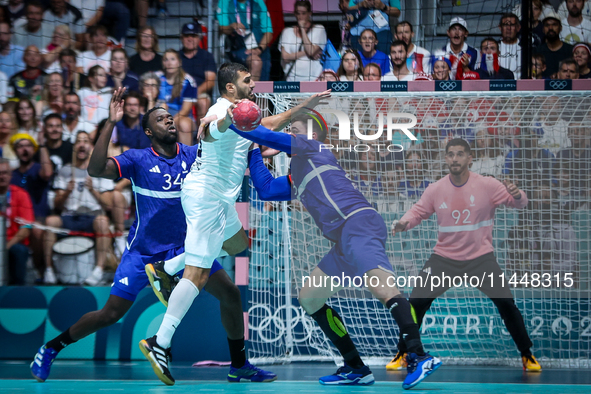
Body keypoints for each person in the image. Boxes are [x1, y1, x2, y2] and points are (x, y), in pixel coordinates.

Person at [30, 87, 276, 385]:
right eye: (161, 119)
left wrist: (261, 149)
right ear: (148, 131)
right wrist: (110, 122)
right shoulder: (137, 160)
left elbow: (231, 153)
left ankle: (239, 365)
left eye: (170, 117)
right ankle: (51, 347)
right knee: (110, 314)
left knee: (231, 295)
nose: (169, 121)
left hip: (186, 249)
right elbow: (96, 169)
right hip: (144, 252)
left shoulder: (194, 154)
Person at [215, 113, 441, 389]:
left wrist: (235, 124)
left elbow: (268, 136)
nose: (291, 133)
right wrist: (252, 151)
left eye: (294, 129)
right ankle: (355, 366)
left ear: (311, 135)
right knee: (310, 298)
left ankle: (418, 355)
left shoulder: (314, 148)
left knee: (382, 288)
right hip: (343, 241)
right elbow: (265, 189)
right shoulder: (297, 175)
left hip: (358, 223)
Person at [141, 63, 329, 385]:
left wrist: (304, 107)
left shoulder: (246, 116)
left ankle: (167, 268)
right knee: (198, 275)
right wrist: (222, 118)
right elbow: (213, 131)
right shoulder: (221, 111)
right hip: (207, 199)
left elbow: (267, 123)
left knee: (238, 244)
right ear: (231, 88)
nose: (253, 83)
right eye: (246, 80)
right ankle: (160, 341)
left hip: (219, 202)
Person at [388, 138, 542, 373]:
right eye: (451, 154)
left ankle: (526, 354)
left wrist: (518, 194)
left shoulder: (488, 185)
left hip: (480, 259)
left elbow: (519, 203)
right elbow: (417, 212)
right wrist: (403, 224)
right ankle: (403, 352)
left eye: (460, 154)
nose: (455, 159)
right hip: (443, 259)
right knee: (415, 304)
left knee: (507, 305)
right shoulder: (436, 188)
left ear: (470, 158)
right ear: (446, 158)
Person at [10, 132, 52, 280]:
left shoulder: (39, 168)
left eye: (28, 146)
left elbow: (47, 173)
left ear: (33, 149)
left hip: (38, 218)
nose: (24, 149)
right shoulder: (11, 174)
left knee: (36, 230)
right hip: (16, 220)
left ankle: (39, 269)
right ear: (15, 150)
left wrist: (42, 146)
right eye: (20, 146)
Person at [217, 0, 273, 81]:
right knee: (256, 62)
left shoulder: (258, 2)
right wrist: (232, 26)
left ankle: (256, 92)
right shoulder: (225, 2)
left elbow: (268, 33)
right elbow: (221, 28)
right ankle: (251, 93)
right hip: (238, 48)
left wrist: (259, 49)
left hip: (260, 48)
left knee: (264, 82)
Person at [0, 158, 34, 285]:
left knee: (19, 251)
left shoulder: (21, 194)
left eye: (5, 173)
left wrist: (5, 247)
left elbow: (26, 227)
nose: (2, 177)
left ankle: (17, 290)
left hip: (13, 242)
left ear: (11, 175)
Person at [156, 49, 197, 145]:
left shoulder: (188, 81)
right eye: (166, 60)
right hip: (159, 114)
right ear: (162, 63)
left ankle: (187, 158)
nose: (169, 63)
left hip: (181, 116)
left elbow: (185, 111)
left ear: (179, 62)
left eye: (172, 59)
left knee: (185, 125)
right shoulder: (156, 78)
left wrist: (169, 122)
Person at [279, 0, 326, 82]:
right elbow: (285, 57)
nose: (300, 16)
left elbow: (311, 51)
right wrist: (306, 52)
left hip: (313, 79)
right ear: (294, 14)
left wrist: (302, 29)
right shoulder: (287, 31)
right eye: (298, 13)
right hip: (292, 80)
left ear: (309, 13)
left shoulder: (319, 29)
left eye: (303, 13)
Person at [178, 22, 216, 120]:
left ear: (199, 38)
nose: (190, 39)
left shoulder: (207, 56)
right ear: (181, 38)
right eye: (187, 36)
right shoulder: (175, 57)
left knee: (204, 102)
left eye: (193, 36)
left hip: (199, 92)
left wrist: (193, 92)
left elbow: (210, 81)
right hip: (178, 92)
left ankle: (201, 134)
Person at [535, 12, 574, 78]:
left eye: (554, 25)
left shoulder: (570, 50)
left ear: (560, 28)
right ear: (543, 29)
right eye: (547, 25)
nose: (550, 28)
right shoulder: (537, 51)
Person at [498, 13, 522, 79]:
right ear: (500, 27)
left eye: (512, 25)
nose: (509, 28)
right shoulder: (493, 48)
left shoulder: (526, 49)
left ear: (518, 28)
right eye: (505, 25)